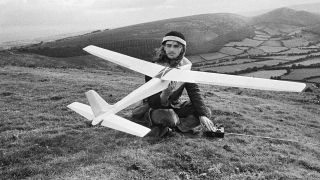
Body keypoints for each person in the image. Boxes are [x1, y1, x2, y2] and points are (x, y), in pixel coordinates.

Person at [133, 31, 216, 137]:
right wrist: (165, 95)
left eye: (176, 46)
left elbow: (194, 91)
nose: (171, 49)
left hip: (175, 105)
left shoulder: (185, 66)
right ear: (164, 47)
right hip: (154, 108)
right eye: (169, 45)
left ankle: (171, 128)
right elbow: (153, 102)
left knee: (206, 112)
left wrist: (202, 115)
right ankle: (173, 125)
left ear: (182, 49)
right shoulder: (154, 67)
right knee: (169, 116)